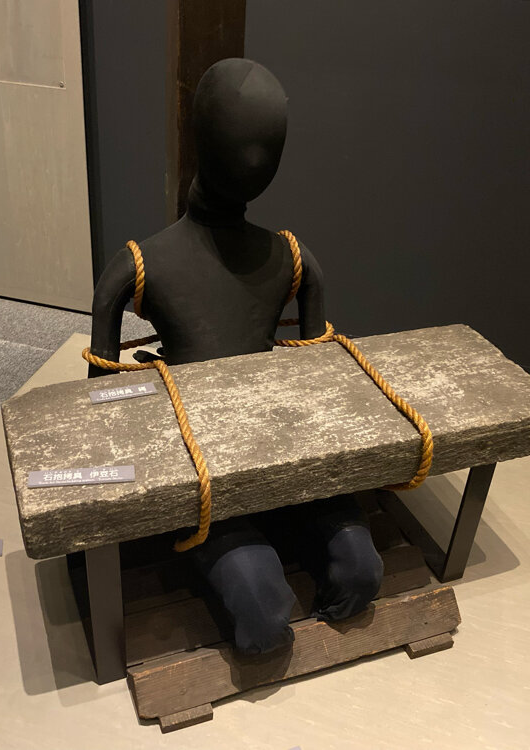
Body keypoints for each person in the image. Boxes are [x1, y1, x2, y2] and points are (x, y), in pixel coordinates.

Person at [88, 58, 383, 654]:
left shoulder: (292, 257)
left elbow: (316, 384)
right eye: (245, 144)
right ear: (204, 139)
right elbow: (102, 405)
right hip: (197, 458)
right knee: (261, 605)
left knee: (360, 571)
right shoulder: (141, 264)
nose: (253, 162)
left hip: (279, 441)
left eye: (266, 150)